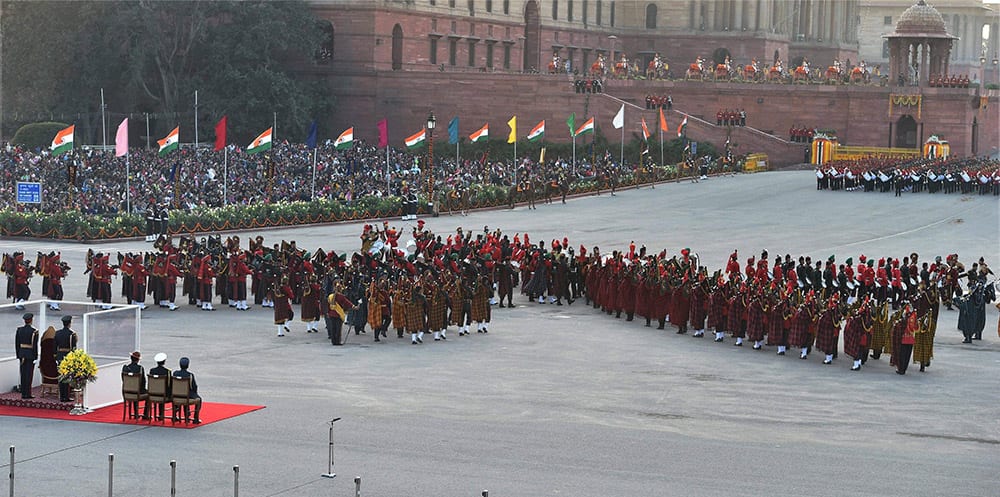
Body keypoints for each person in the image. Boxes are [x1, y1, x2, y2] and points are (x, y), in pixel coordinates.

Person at [54, 315, 78, 402]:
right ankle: (66, 396)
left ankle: (62, 396)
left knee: (61, 376)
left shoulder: (57, 333)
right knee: (67, 377)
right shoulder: (71, 334)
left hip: (60, 356)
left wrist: (56, 356)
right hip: (68, 356)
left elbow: (54, 347)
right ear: (69, 324)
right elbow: (73, 347)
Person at [15, 312, 39, 399]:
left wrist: (18, 355)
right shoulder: (34, 332)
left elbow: (17, 344)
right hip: (30, 355)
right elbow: (34, 346)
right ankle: (27, 393)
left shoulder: (19, 330)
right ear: (31, 320)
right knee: (29, 375)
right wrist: (35, 357)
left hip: (22, 354)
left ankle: (23, 393)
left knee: (23, 374)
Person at [171, 357, 202, 424]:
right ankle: (195, 418)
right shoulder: (190, 375)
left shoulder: (175, 373)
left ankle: (175, 415)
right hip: (187, 394)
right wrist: (195, 394)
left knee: (182, 394)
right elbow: (194, 386)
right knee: (199, 399)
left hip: (176, 394)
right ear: (188, 365)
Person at [326, 281, 355, 345]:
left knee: (333, 328)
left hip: (331, 314)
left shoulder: (330, 296)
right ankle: (337, 341)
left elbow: (328, 305)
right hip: (338, 314)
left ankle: (333, 341)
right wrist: (353, 306)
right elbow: (347, 302)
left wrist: (328, 312)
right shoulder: (341, 297)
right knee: (338, 329)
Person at [121, 351, 148, 419]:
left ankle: (136, 413)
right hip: (137, 393)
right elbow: (143, 382)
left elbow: (123, 380)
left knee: (134, 389)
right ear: (138, 360)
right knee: (148, 395)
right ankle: (145, 415)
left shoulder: (125, 368)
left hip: (127, 393)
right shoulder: (140, 368)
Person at [148, 353, 171, 421]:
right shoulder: (167, 371)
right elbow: (169, 384)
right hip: (163, 394)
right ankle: (174, 416)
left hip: (153, 394)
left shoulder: (152, 371)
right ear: (164, 361)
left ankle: (146, 414)